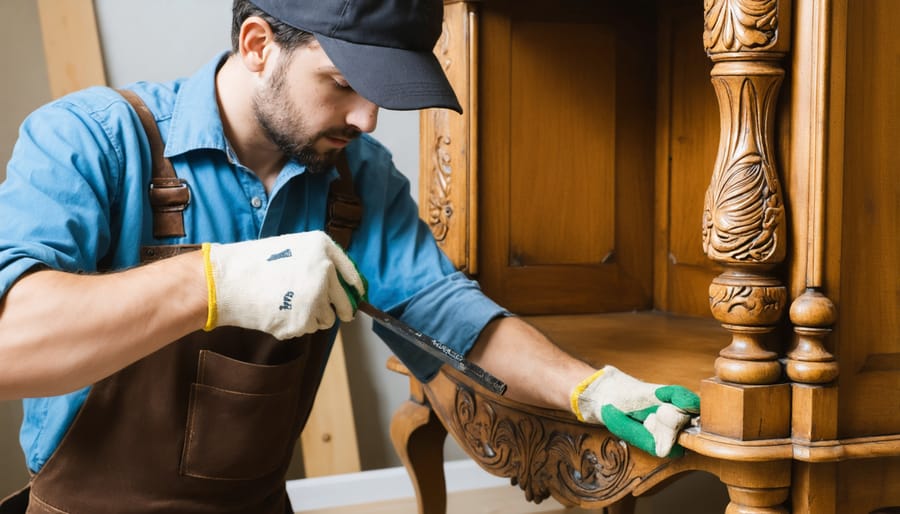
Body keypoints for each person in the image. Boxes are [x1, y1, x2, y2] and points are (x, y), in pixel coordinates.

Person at [0, 0, 699, 512]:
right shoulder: (90, 140)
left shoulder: (359, 181)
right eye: (342, 83)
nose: (367, 120)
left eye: (382, 94)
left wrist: (590, 388)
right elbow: (9, 348)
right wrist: (212, 281)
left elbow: (452, 320)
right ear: (256, 45)